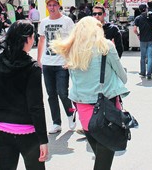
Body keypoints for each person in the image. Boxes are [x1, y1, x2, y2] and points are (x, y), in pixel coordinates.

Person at [51, 16, 129, 170]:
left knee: (100, 157)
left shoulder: (71, 48)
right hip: (107, 110)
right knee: (104, 161)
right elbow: (123, 77)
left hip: (84, 111)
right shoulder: (105, 46)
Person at [0, 20, 48, 170]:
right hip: (28, 133)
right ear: (27, 39)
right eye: (33, 37)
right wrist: (43, 139)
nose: (34, 40)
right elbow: (36, 106)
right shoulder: (32, 68)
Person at [37, 0, 76, 134]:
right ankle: (56, 122)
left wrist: (70, 59)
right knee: (51, 94)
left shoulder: (67, 21)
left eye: (54, 5)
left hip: (62, 63)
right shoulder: (44, 22)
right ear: (47, 7)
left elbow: (73, 41)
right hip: (48, 62)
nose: (52, 7)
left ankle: (71, 114)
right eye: (49, 5)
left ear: (59, 6)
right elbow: (41, 40)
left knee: (62, 93)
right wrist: (39, 59)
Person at [133, 3, 152, 80]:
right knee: (150, 57)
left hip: (143, 39)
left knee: (143, 57)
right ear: (146, 8)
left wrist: (138, 34)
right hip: (151, 39)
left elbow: (134, 29)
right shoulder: (151, 16)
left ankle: (142, 72)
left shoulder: (138, 18)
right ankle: (149, 74)